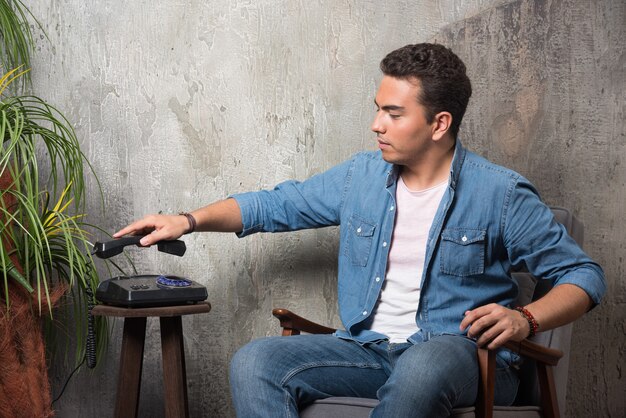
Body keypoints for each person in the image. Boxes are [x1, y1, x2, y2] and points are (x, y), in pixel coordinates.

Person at [115, 43, 606, 417]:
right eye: (378, 108)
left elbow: (584, 277)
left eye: (393, 113)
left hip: (463, 358)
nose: (376, 124)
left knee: (424, 366)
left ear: (439, 123)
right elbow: (274, 205)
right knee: (256, 361)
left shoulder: (499, 194)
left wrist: (527, 320)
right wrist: (187, 220)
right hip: (368, 351)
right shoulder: (361, 176)